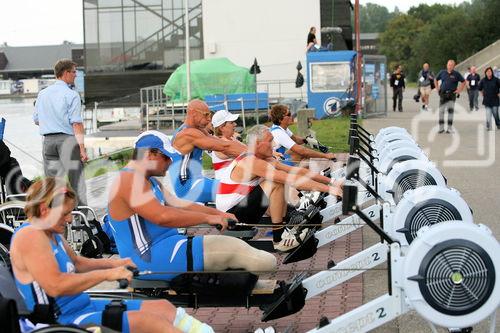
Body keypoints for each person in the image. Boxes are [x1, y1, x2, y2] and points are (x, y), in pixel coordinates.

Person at [10, 177, 214, 333]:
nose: (70, 219)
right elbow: (55, 286)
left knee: (163, 307)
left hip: (82, 306)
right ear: (45, 209)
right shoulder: (31, 236)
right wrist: (107, 275)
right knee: (149, 323)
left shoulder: (50, 232)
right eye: (65, 214)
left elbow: (78, 263)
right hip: (59, 321)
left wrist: (116, 264)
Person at [108, 130, 276, 281]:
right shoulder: (129, 180)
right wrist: (208, 218)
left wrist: (218, 213)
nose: (170, 162)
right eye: (166, 157)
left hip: (166, 246)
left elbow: (177, 204)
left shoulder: (147, 179)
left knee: (247, 256)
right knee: (264, 262)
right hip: (148, 258)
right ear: (150, 154)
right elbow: (162, 216)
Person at [215, 125, 343, 252]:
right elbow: (291, 180)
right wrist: (329, 190)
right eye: (270, 141)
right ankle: (279, 239)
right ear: (258, 144)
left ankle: (289, 220)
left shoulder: (262, 157)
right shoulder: (252, 161)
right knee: (275, 182)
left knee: (275, 181)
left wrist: (332, 182)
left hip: (240, 209)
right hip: (232, 220)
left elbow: (295, 171)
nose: (274, 144)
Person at [33, 59, 88, 206]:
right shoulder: (72, 95)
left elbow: (37, 120)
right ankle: (82, 221)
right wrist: (82, 149)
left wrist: (52, 120)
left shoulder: (42, 94)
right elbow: (76, 123)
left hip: (48, 143)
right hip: (67, 142)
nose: (76, 75)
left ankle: (57, 222)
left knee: (54, 186)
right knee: (77, 183)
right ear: (65, 73)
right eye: (74, 72)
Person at [169, 99, 245, 203]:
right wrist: (256, 154)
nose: (209, 119)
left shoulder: (198, 130)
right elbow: (224, 147)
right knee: (242, 188)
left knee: (247, 185)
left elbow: (219, 142)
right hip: (187, 187)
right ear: (193, 114)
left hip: (197, 180)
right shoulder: (188, 133)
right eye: (206, 115)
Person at [269, 104, 336, 165]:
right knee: (300, 153)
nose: (291, 116)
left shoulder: (281, 127)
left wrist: (307, 140)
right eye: (289, 114)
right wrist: (326, 156)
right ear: (280, 119)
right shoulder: (279, 133)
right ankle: (300, 175)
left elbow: (296, 140)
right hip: (272, 163)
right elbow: (302, 151)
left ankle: (304, 174)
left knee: (299, 153)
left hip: (276, 157)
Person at [210, 109, 245, 179]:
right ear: (222, 127)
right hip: (225, 185)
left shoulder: (231, 139)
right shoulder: (219, 143)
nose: (235, 124)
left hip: (236, 182)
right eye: (232, 122)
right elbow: (248, 153)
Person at [435, 60, 467, 134]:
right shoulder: (442, 72)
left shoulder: (456, 74)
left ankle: (449, 128)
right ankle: (441, 128)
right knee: (441, 111)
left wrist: (459, 90)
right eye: (449, 65)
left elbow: (463, 82)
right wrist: (437, 88)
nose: (450, 66)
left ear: (454, 66)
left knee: (450, 112)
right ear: (447, 65)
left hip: (452, 94)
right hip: (443, 93)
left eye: (451, 65)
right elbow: (435, 79)